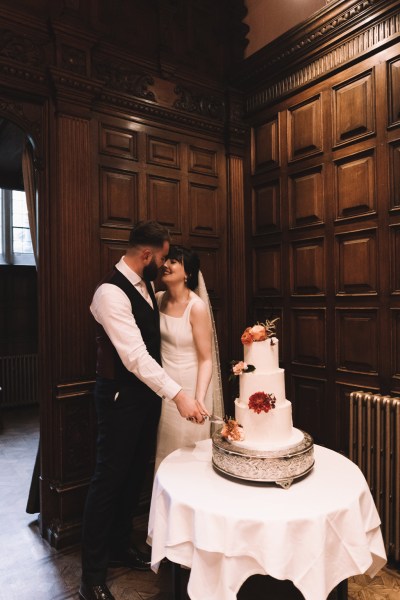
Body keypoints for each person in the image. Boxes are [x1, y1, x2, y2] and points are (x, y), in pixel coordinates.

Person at [79, 222, 208, 600]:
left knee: (134, 475)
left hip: (146, 399)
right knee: (108, 481)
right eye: (164, 257)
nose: (166, 263)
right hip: (120, 398)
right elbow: (135, 356)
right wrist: (178, 395)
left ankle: (120, 546)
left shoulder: (146, 288)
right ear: (148, 255)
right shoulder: (110, 293)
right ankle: (92, 576)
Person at [154, 245, 224, 472]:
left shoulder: (196, 308)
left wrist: (199, 398)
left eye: (174, 261)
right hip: (165, 388)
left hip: (192, 387)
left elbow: (206, 359)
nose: (166, 265)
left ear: (188, 273)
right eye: (165, 260)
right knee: (164, 455)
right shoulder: (158, 299)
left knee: (187, 457)